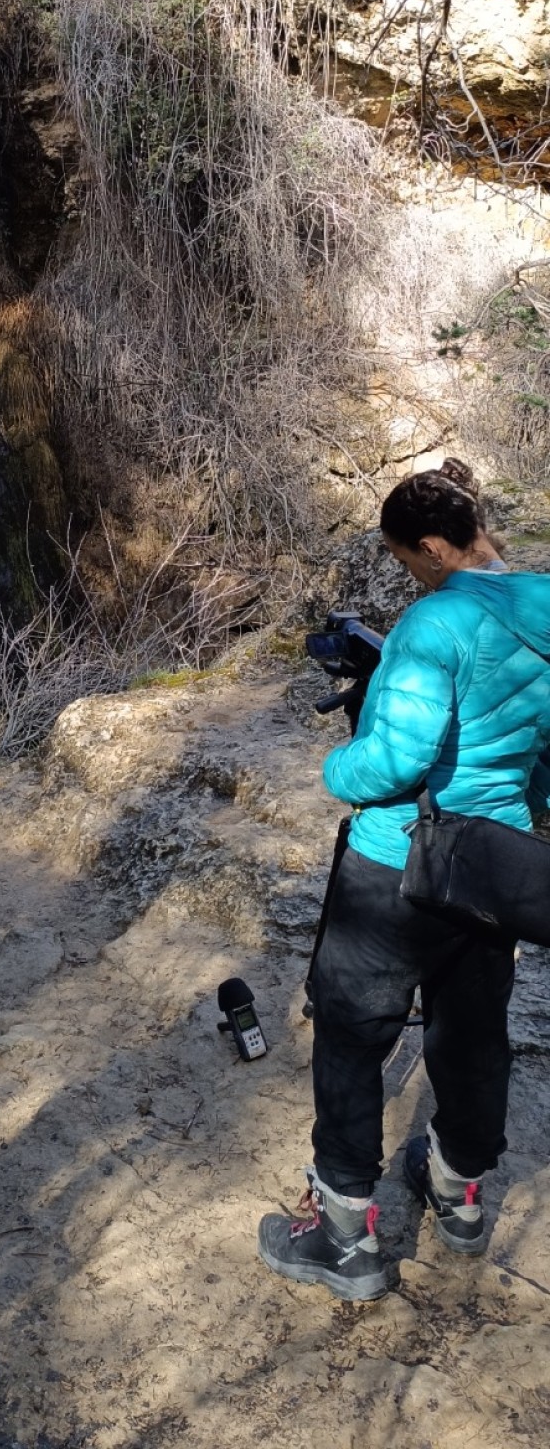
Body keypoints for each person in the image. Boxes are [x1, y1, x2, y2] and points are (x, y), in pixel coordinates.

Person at [259, 459, 550, 1301]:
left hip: (399, 863)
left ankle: (343, 1237)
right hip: (495, 865)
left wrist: (336, 763)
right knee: (471, 1033)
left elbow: (393, 764)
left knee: (352, 1036)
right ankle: (459, 1200)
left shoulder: (434, 623)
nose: (406, 574)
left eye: (403, 558)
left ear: (431, 547)